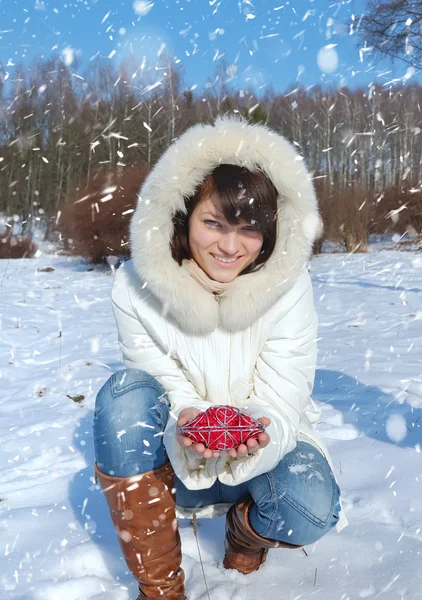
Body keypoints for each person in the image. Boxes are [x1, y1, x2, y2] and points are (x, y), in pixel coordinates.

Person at [93, 116, 347, 600]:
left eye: (250, 230)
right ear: (182, 215)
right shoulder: (134, 286)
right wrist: (189, 421)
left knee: (313, 509)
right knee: (122, 394)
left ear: (271, 233)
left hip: (265, 448)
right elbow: (156, 375)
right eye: (213, 224)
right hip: (177, 454)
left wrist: (251, 432)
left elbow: (283, 394)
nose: (230, 248)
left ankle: (246, 533)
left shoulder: (288, 286)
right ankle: (160, 587)